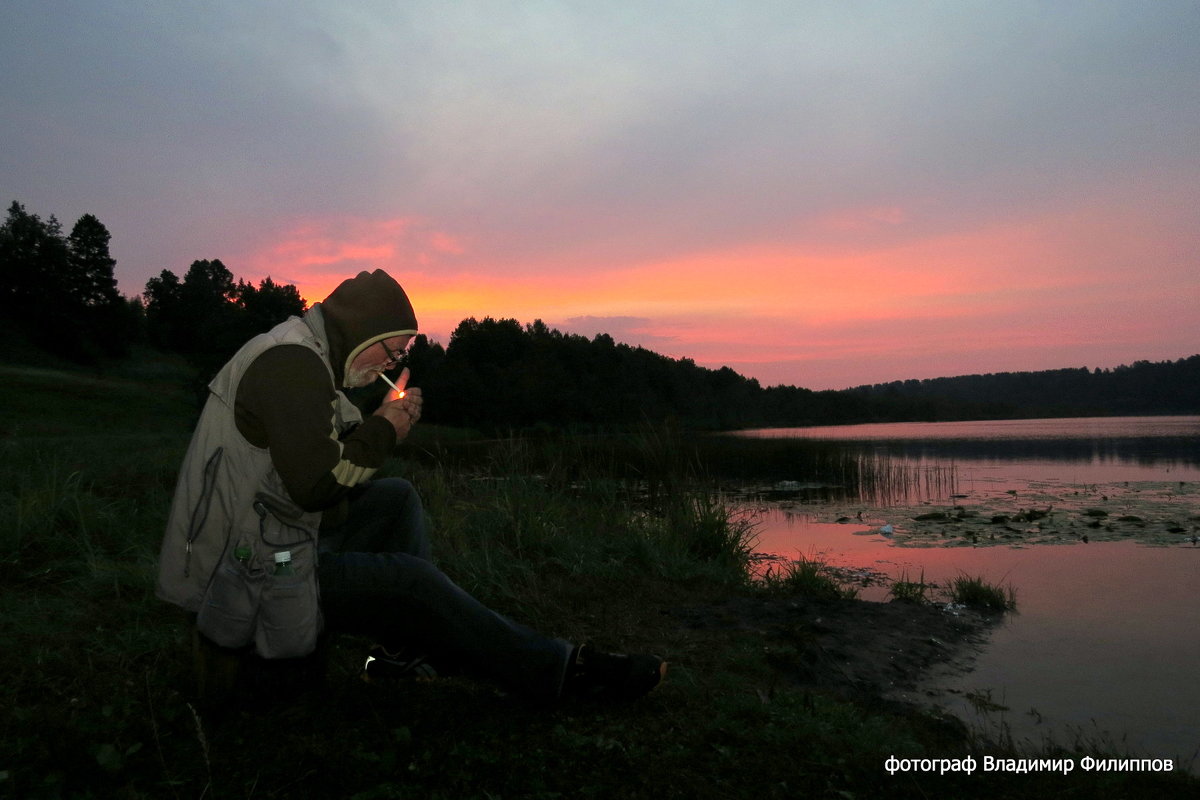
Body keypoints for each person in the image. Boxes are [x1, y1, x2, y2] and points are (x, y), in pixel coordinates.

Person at [156, 269, 664, 702]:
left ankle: (402, 652)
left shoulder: (309, 359)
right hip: (248, 567)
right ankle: (561, 671)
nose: (391, 366)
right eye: (390, 351)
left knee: (395, 500)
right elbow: (316, 485)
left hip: (274, 535)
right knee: (409, 584)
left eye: (397, 358)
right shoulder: (292, 366)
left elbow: (316, 458)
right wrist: (385, 429)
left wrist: (377, 423)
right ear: (361, 333)